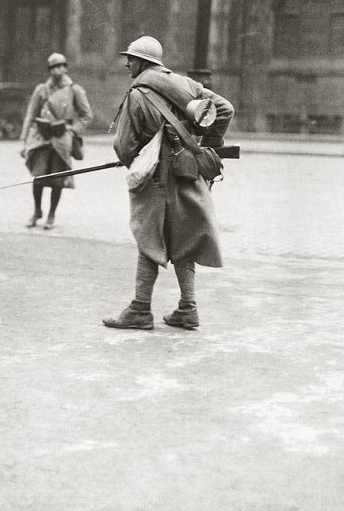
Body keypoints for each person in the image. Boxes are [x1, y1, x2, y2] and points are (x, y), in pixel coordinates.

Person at [103, 36, 234, 331]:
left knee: (148, 238)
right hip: (188, 171)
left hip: (156, 179)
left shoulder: (137, 94)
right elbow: (225, 109)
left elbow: (123, 146)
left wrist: (138, 158)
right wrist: (207, 145)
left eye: (131, 59)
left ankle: (139, 310)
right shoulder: (187, 85)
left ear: (144, 62)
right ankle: (188, 309)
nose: (127, 63)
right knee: (184, 238)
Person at [19, 52, 92, 230]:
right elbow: (31, 114)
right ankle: (37, 211)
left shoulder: (74, 89)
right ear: (50, 70)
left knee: (57, 180)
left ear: (65, 68)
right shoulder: (41, 90)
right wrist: (24, 140)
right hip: (41, 136)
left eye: (60, 66)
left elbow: (86, 115)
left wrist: (72, 129)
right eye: (53, 67)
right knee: (38, 177)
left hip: (61, 137)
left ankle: (51, 215)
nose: (57, 70)